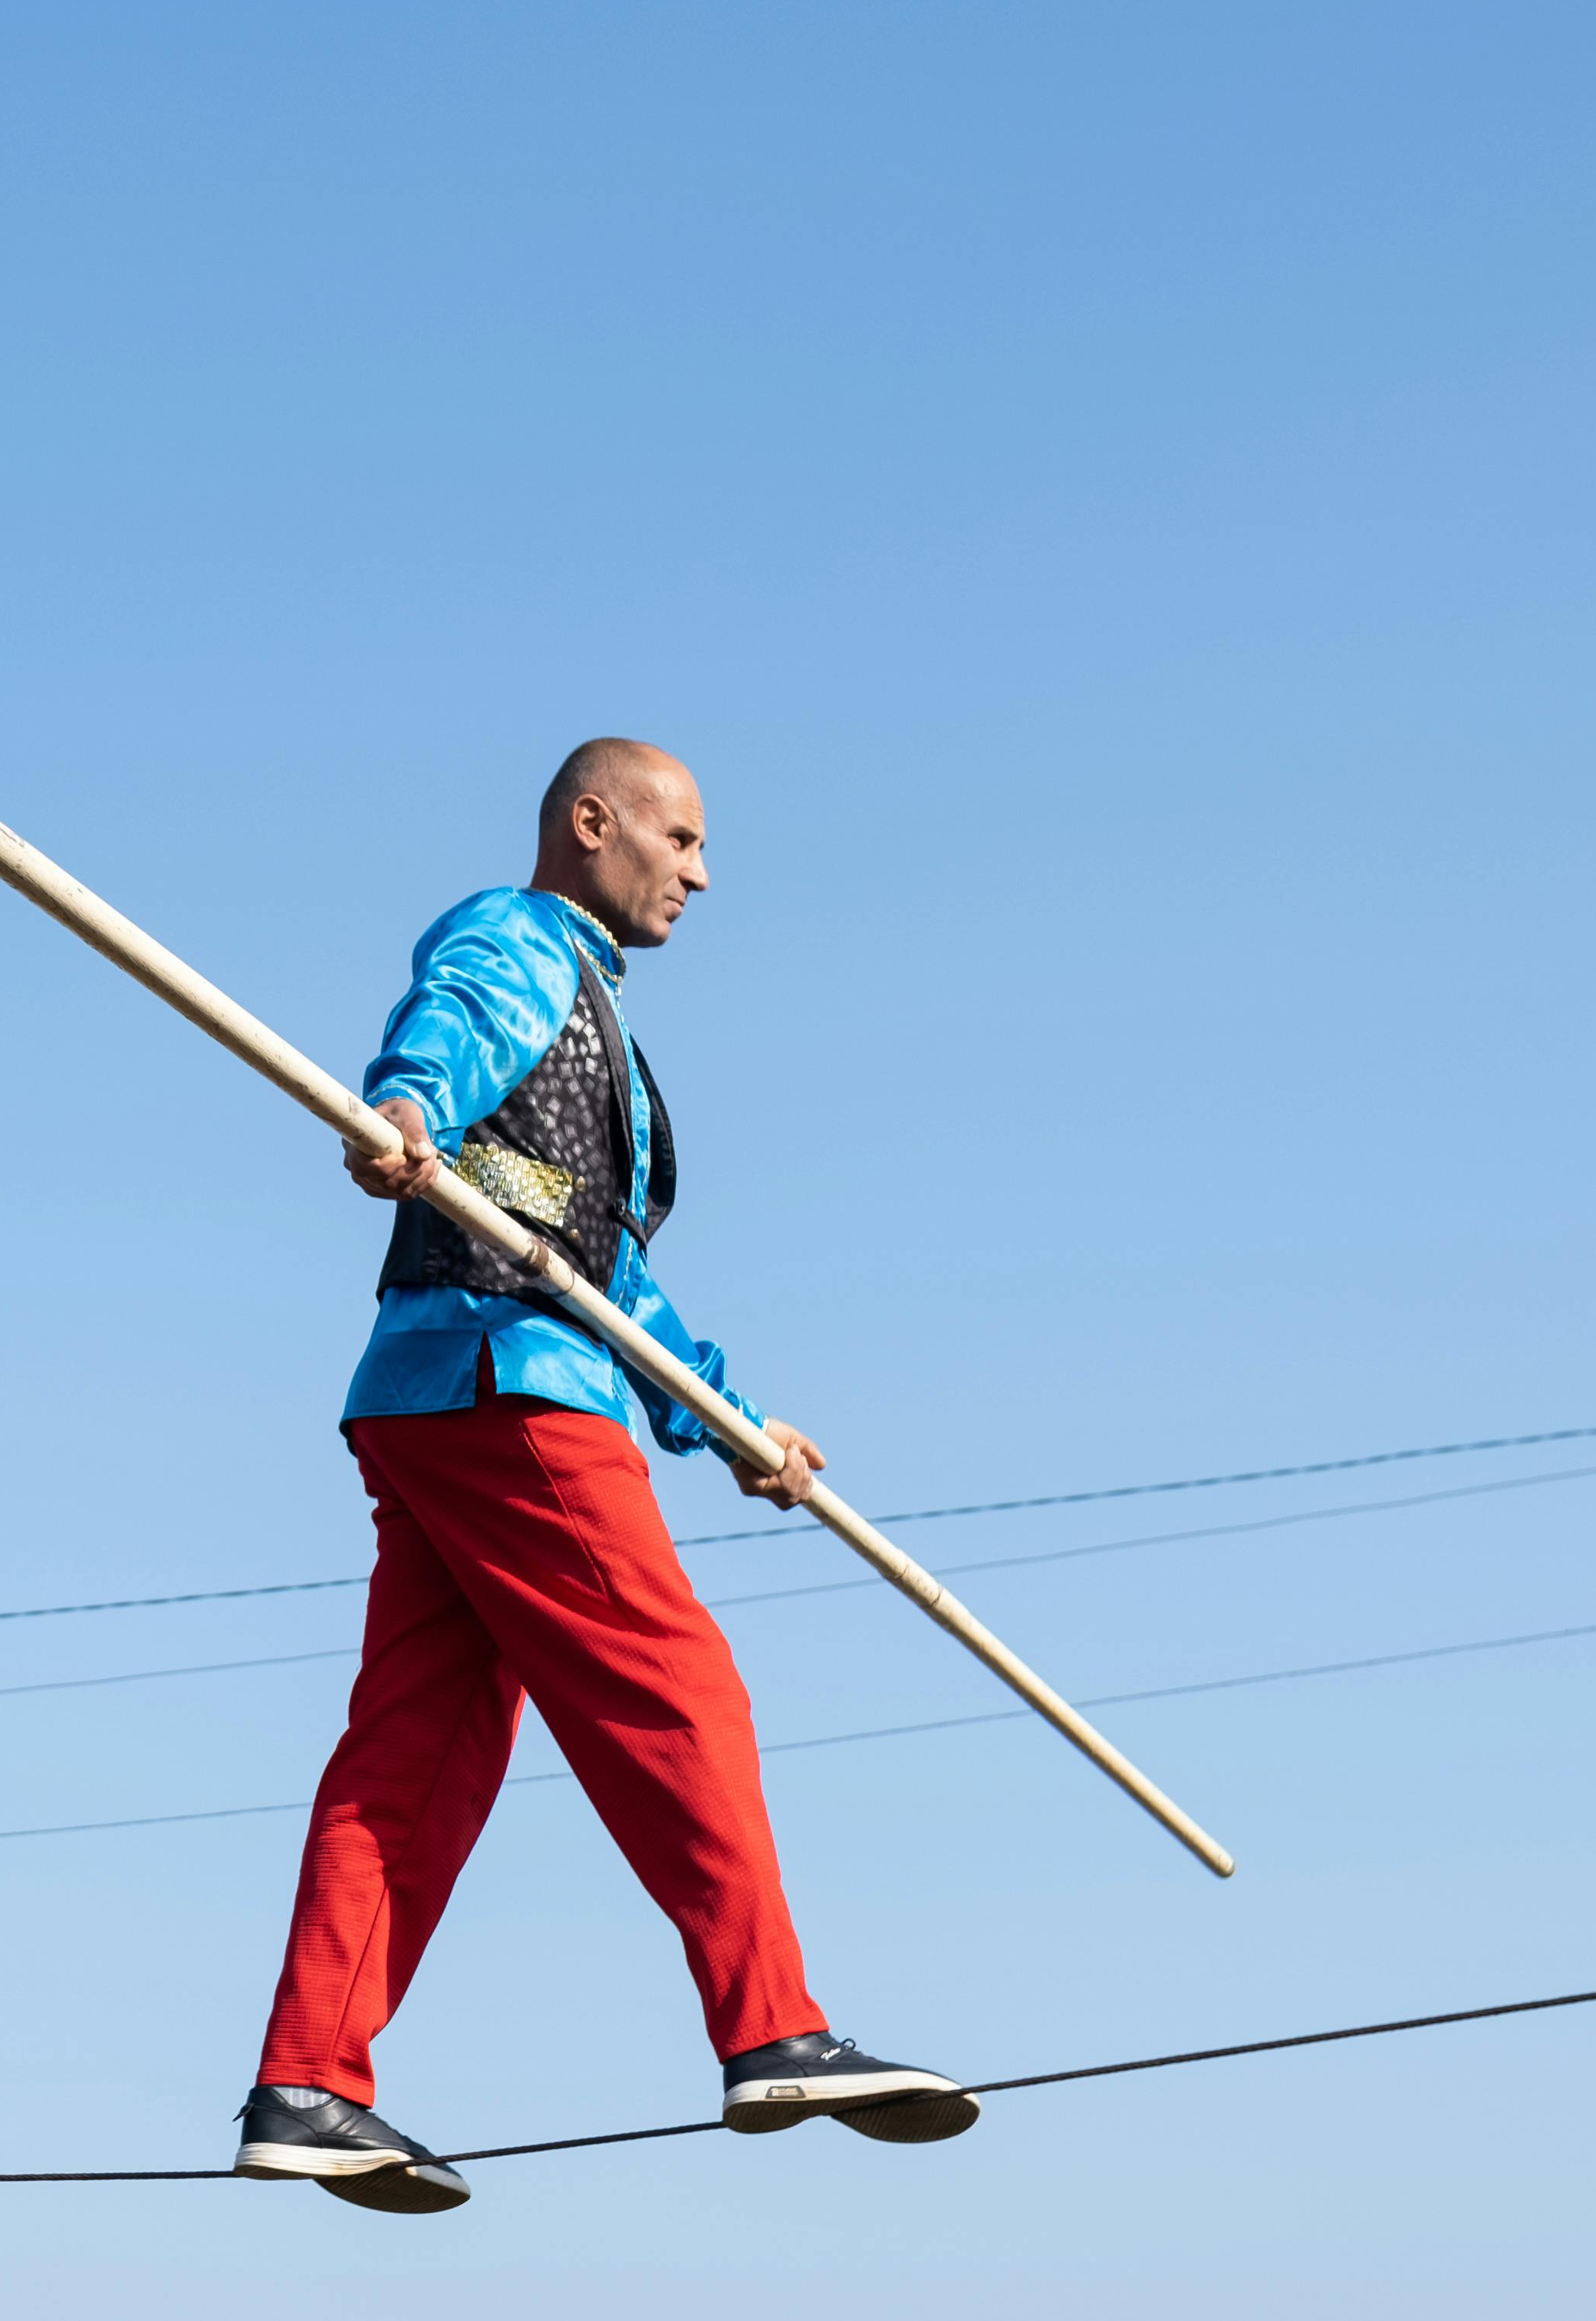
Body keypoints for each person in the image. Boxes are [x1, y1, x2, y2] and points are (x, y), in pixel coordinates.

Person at [233, 739, 973, 2214]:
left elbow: (605, 1274)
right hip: (509, 1391)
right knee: (673, 1681)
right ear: (594, 824)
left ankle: (307, 2080)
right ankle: (771, 2026)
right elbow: (439, 1036)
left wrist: (737, 1424)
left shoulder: (604, 1039)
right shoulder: (517, 944)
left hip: (443, 1389)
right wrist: (403, 1109)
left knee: (420, 1752)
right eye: (681, 840)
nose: (699, 875)